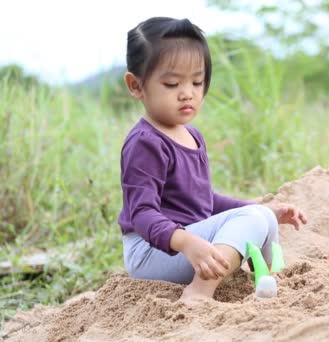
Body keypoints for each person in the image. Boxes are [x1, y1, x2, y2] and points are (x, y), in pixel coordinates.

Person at [117, 17, 308, 304]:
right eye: (171, 83)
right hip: (152, 252)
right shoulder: (145, 142)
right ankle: (200, 291)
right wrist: (187, 242)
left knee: (263, 216)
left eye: (197, 81)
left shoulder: (191, 135)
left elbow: (205, 200)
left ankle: (268, 276)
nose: (187, 93)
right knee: (254, 218)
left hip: (190, 244)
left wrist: (263, 208)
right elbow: (141, 214)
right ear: (136, 86)